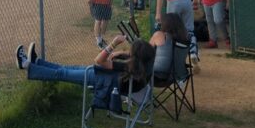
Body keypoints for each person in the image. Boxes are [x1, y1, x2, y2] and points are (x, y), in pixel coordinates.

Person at [15, 35, 155, 108]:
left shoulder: (127, 67)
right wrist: (121, 54)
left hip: (101, 82)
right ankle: (37, 62)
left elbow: (99, 60)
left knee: (62, 73)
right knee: (65, 69)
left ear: (135, 56)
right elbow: (110, 60)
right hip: (104, 77)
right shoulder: (142, 69)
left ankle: (26, 65)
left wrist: (113, 44)